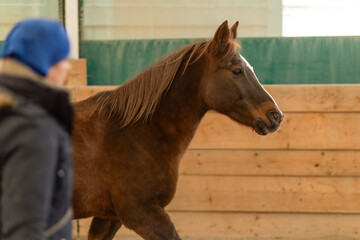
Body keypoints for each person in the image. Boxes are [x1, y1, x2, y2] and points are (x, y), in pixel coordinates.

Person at [0, 18, 73, 240]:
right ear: (47, 63)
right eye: (63, 58)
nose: (68, 66)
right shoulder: (32, 129)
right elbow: (25, 228)